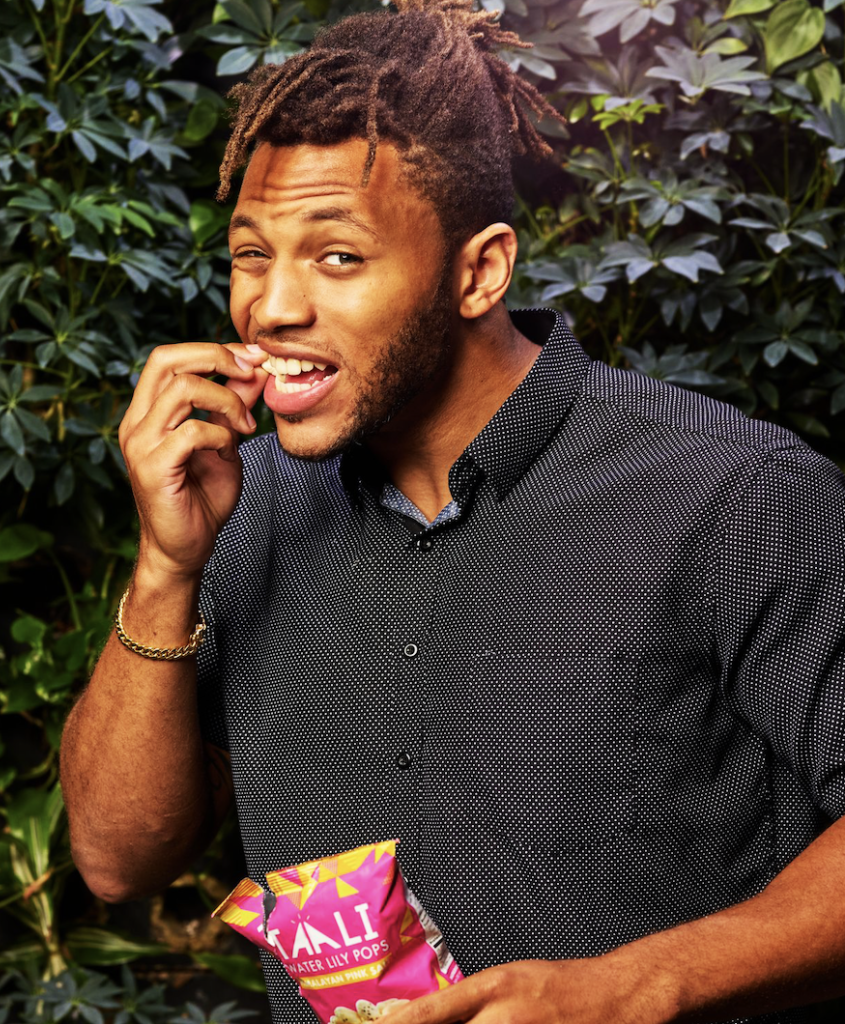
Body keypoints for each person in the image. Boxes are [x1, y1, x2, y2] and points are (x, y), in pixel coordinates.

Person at [60, 2, 845, 1023]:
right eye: (252, 254)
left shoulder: (733, 494)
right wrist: (165, 568)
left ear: (478, 271)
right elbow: (119, 859)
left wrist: (627, 990)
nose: (272, 305)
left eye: (335, 256)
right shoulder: (239, 510)